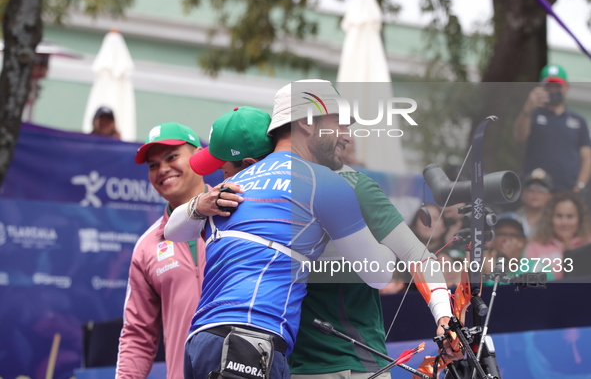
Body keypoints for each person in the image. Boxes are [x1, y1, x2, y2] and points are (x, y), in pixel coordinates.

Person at [167, 82, 459, 378]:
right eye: (340, 123)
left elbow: (417, 256)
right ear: (307, 122)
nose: (348, 135)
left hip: (335, 362)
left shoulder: (240, 188)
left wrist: (445, 316)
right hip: (280, 356)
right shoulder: (243, 190)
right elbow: (383, 271)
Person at [116, 122, 234, 379]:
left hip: (246, 370)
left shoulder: (238, 213)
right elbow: (138, 334)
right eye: (153, 165)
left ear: (198, 156)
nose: (163, 170)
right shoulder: (147, 246)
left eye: (171, 157)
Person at [513, 64, 591, 193]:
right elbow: (519, 137)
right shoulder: (533, 114)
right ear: (541, 88)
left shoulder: (578, 121)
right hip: (535, 189)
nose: (553, 90)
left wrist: (579, 187)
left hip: (567, 190)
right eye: (549, 86)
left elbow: (587, 157)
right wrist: (527, 108)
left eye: (557, 86)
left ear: (567, 88)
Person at [525, 191, 591, 280]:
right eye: (559, 216)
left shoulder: (588, 243)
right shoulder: (534, 247)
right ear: (550, 218)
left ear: (580, 219)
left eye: (570, 216)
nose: (564, 222)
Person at [517, 168, 553, 238]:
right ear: (523, 194)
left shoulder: (554, 221)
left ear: (550, 196)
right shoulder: (513, 218)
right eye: (531, 189)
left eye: (541, 190)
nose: (535, 193)